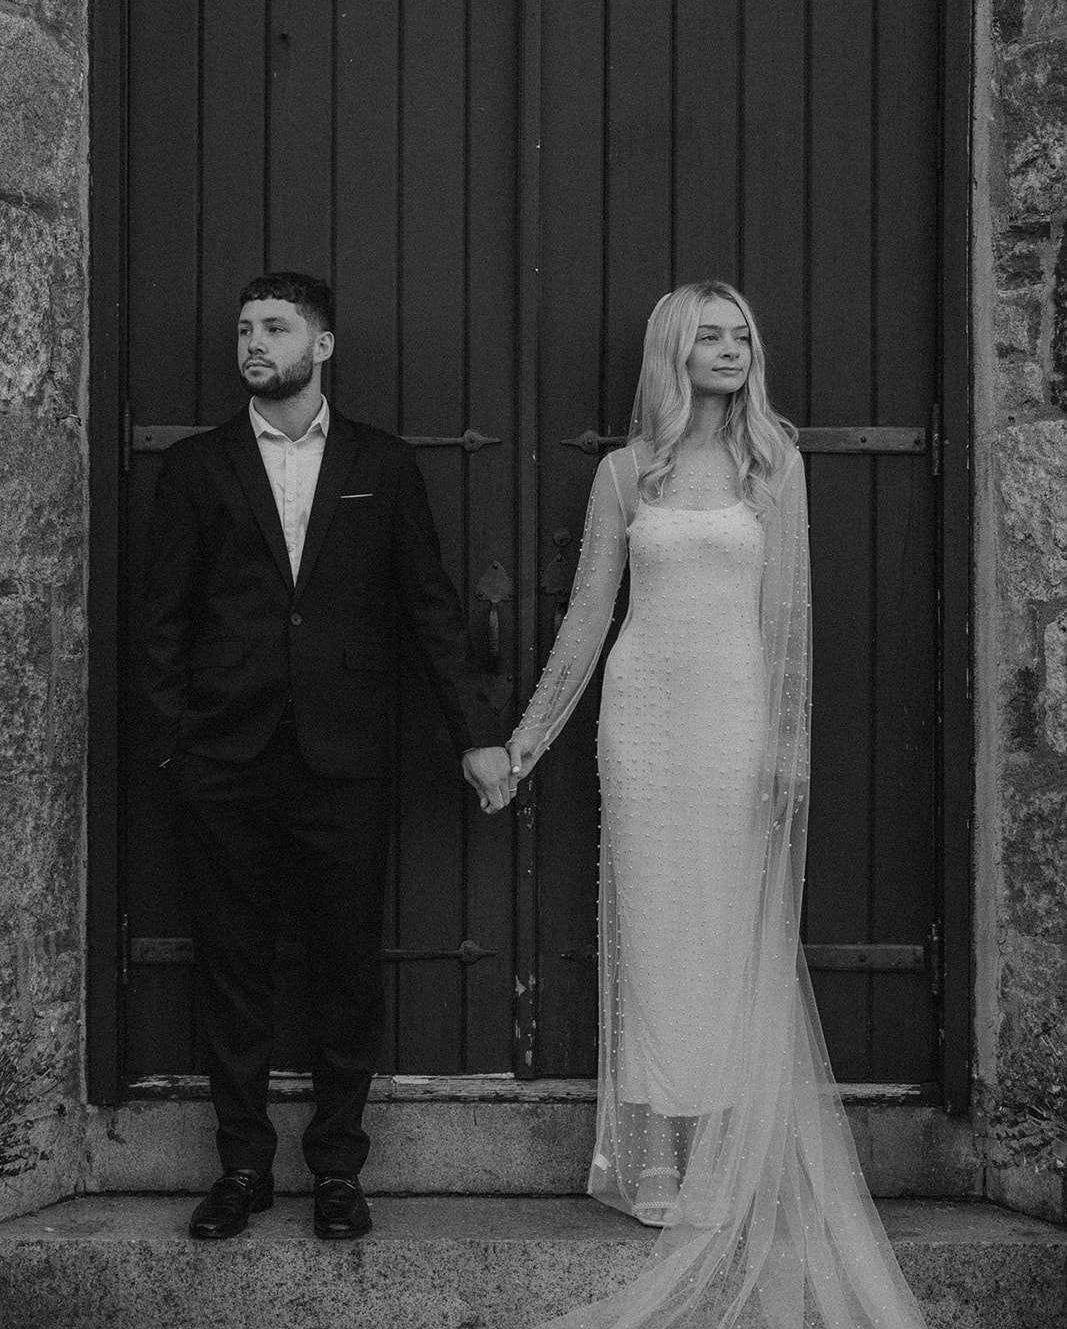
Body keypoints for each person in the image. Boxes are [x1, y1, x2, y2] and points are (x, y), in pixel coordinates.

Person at [506, 282, 928, 1329]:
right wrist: (525, 739)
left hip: (734, 720)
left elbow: (786, 620)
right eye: (710, 334)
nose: (731, 348)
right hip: (641, 722)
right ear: (671, 350)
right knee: (651, 932)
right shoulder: (624, 471)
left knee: (726, 935)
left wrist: (786, 744)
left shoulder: (773, 463)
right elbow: (588, 617)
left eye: (741, 334)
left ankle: (724, 1163)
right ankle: (655, 1160)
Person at [141, 272, 511, 1242]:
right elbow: (160, 624)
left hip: (344, 758)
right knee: (233, 965)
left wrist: (476, 732)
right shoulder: (195, 468)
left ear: (323, 343)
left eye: (274, 326)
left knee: (346, 965)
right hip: (223, 757)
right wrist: (176, 739)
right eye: (243, 330)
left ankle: (339, 1171)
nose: (252, 343)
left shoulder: (379, 466)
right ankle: (241, 1166)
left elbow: (428, 606)